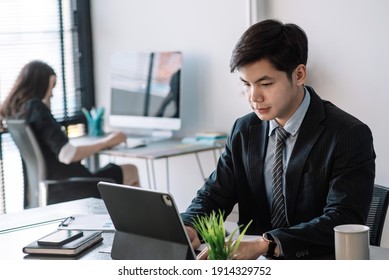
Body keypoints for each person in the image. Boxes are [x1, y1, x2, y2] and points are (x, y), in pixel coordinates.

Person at [181, 19, 376, 260]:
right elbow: (214, 195)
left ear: (299, 74)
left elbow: (342, 219)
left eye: (265, 83)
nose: (254, 97)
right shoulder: (244, 129)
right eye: (246, 84)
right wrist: (189, 226)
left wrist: (266, 244)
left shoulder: (348, 134)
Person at [0, 60, 140, 189]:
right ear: (42, 84)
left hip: (52, 186)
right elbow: (68, 155)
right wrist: (108, 141)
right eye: (52, 87)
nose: (52, 94)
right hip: (71, 186)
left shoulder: (17, 111)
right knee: (131, 170)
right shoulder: (37, 108)